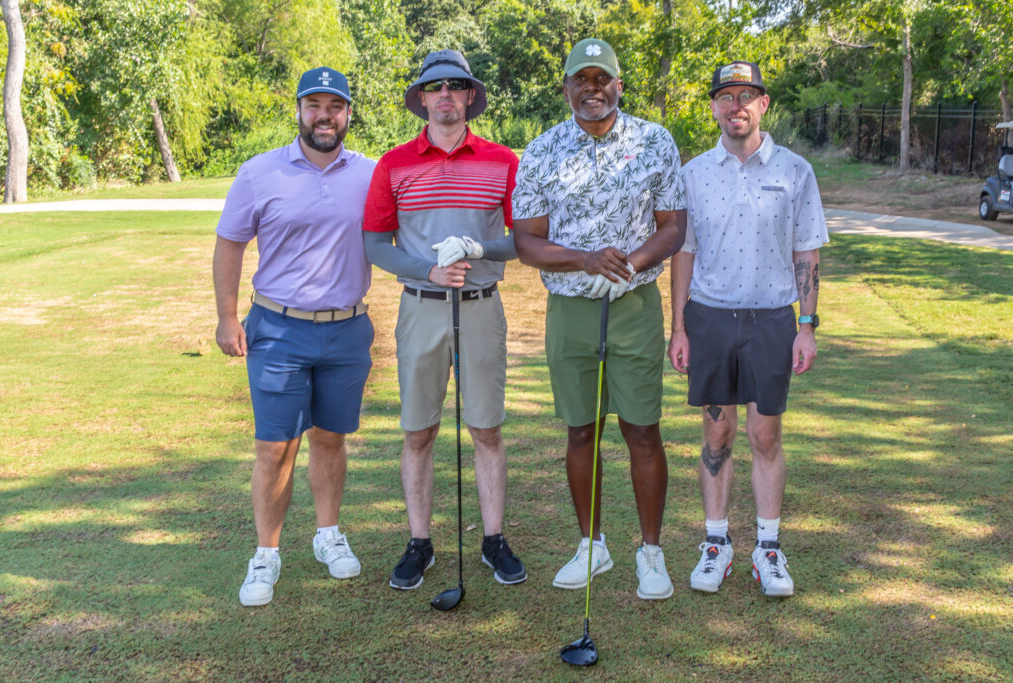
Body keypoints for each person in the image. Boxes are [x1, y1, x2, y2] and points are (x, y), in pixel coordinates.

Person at [512, 38, 686, 600]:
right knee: (581, 429)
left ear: (618, 85)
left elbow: (673, 226)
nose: (592, 89)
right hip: (571, 308)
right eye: (581, 79)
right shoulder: (541, 151)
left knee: (642, 429)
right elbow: (526, 241)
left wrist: (628, 263)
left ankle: (651, 552)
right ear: (566, 88)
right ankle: (592, 545)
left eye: (601, 78)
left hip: (634, 306)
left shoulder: (654, 141)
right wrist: (585, 260)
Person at [362, 49, 526, 591]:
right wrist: (429, 271)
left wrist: (480, 249)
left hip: (481, 307)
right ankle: (419, 542)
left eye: (456, 85)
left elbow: (524, 239)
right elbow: (374, 244)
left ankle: (493, 539)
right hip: (420, 307)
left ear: (470, 96)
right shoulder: (394, 164)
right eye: (436, 87)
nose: (446, 95)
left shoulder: (502, 161)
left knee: (486, 428)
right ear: (423, 99)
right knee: (419, 431)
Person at [213, 67, 376, 606]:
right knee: (274, 445)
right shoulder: (259, 172)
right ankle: (267, 553)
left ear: (348, 113)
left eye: (335, 106)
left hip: (347, 329)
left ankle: (328, 534)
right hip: (278, 329)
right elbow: (230, 243)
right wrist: (227, 317)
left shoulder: (370, 174)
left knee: (330, 438)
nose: (324, 116)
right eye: (314, 106)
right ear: (300, 111)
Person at [667, 61, 828, 598]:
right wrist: (679, 328)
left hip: (772, 320)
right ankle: (716, 543)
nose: (735, 106)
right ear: (714, 106)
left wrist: (806, 325)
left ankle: (768, 548)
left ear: (763, 104)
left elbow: (807, 250)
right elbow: (684, 254)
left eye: (746, 95)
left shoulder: (795, 171)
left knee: (765, 435)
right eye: (725, 96)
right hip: (711, 318)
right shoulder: (694, 174)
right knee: (717, 435)